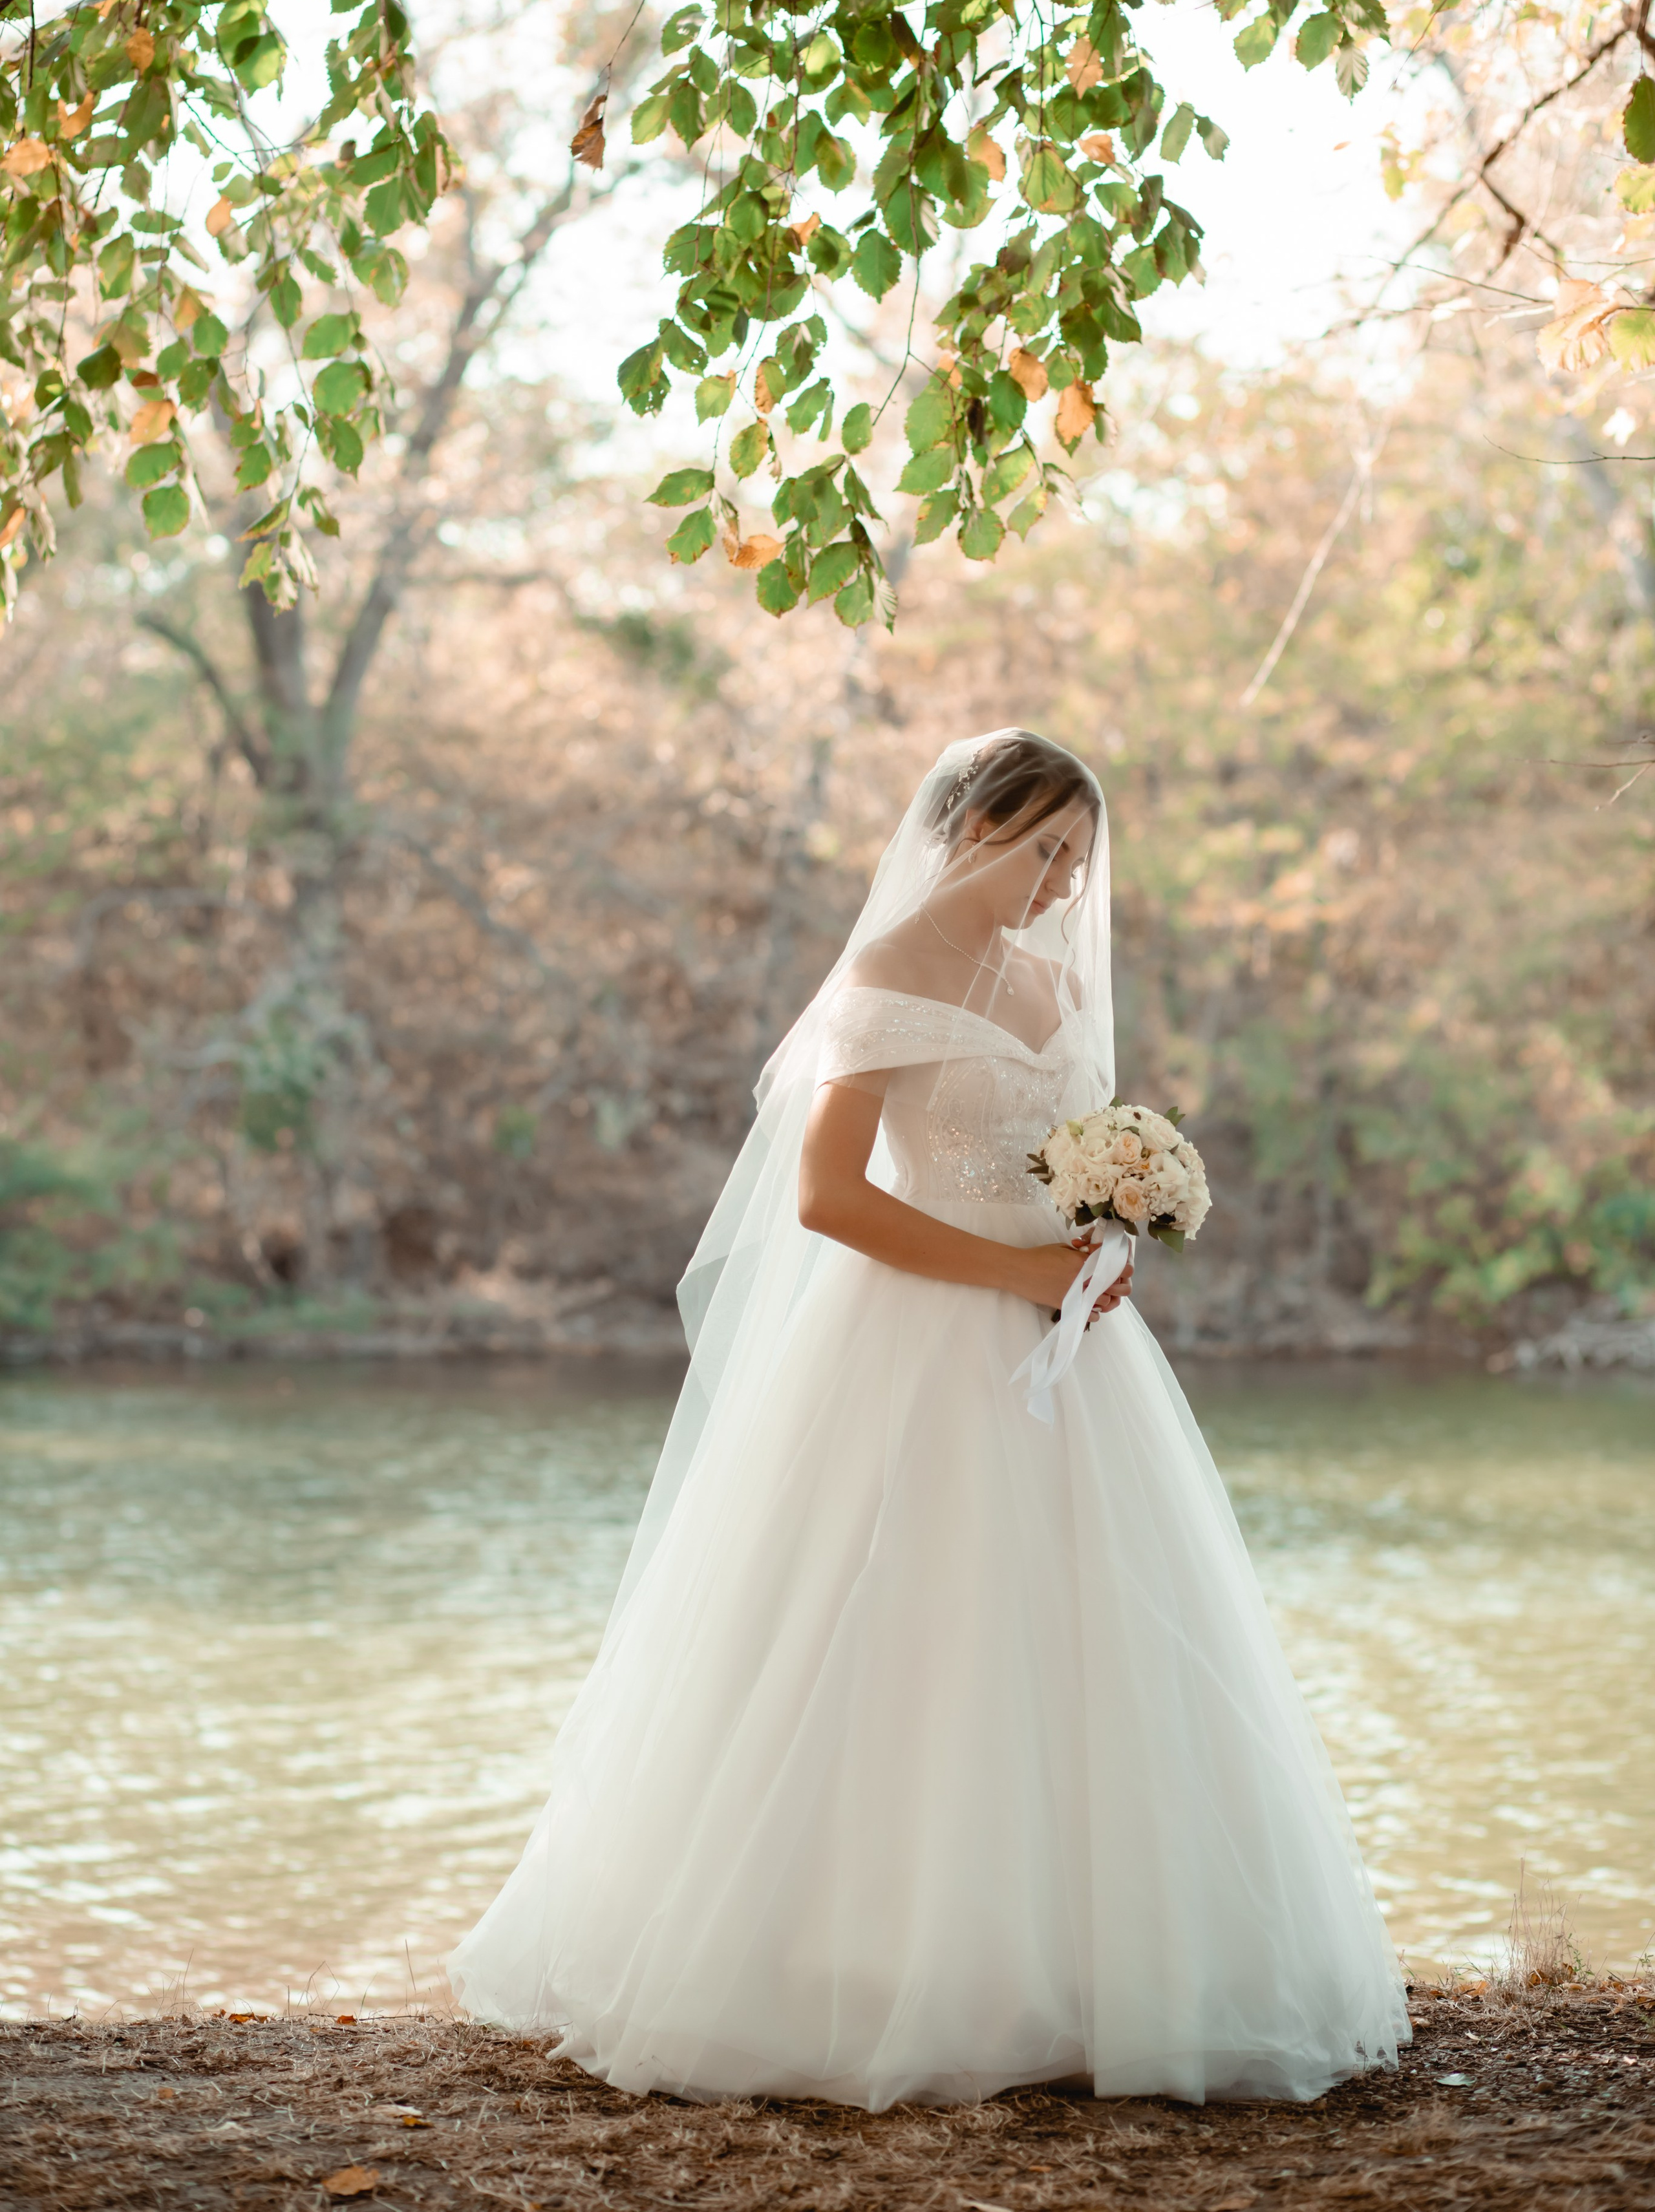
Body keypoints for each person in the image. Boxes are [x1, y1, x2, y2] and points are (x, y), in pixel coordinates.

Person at [448, 728, 1409, 2109]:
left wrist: (1095, 1240)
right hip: (911, 1344)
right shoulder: (886, 975)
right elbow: (829, 1197)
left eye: (1077, 859)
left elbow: (1058, 1156)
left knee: (1098, 1639)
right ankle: (863, 1967)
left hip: (1067, 1354)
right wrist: (1014, 1268)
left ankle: (1096, 1976)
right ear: (968, 827)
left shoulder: (1053, 973)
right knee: (905, 1637)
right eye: (1040, 850)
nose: (1060, 883)